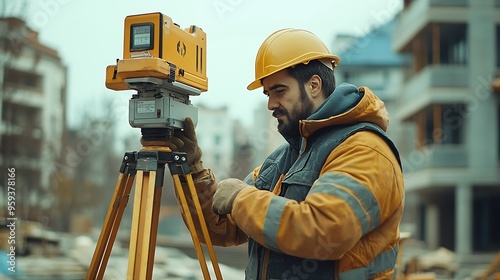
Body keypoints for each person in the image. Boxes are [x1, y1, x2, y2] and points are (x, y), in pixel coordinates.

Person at [169, 28, 405, 280]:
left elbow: (325, 232)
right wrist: (191, 170)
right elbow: (219, 228)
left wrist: (240, 198)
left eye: (279, 91)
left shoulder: (364, 149)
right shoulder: (284, 158)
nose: (271, 104)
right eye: (268, 94)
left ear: (314, 85)